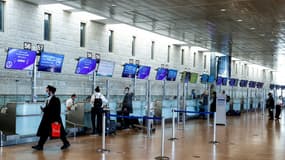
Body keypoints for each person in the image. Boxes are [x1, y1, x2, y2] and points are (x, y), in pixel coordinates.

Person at [32, 85, 70, 150]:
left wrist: (56, 120)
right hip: (47, 119)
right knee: (45, 132)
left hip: (54, 119)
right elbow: (48, 109)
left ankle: (66, 143)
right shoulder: (48, 99)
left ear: (50, 91)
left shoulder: (56, 99)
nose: (46, 92)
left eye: (47, 91)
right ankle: (40, 145)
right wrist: (43, 109)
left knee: (59, 132)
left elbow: (57, 110)